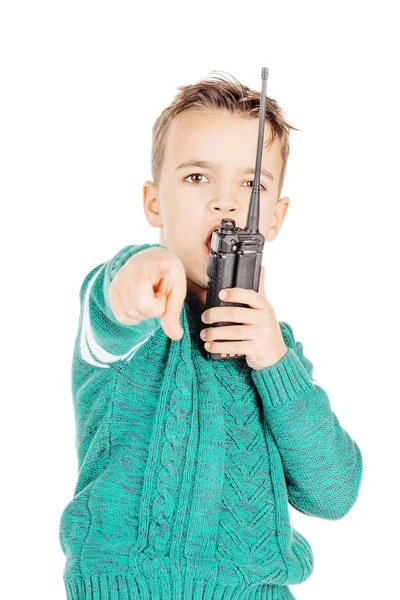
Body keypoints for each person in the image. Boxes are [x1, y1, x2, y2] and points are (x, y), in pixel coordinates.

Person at [59, 72, 363, 600]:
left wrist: (275, 363)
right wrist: (138, 271)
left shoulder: (277, 351)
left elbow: (333, 494)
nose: (226, 203)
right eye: (198, 178)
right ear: (155, 203)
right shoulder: (131, 312)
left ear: (274, 216)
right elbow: (116, 299)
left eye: (251, 185)